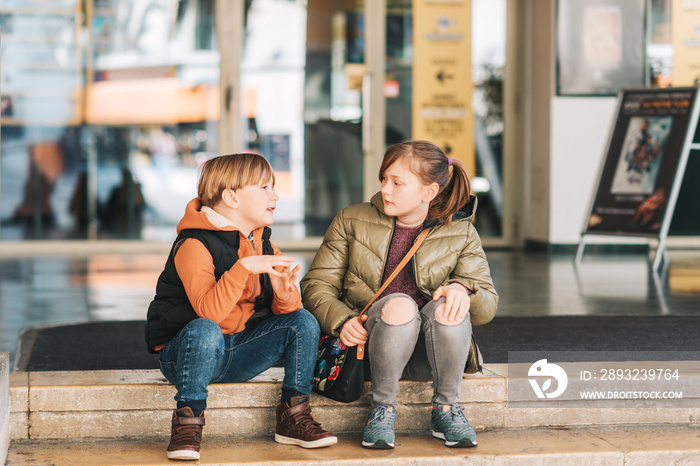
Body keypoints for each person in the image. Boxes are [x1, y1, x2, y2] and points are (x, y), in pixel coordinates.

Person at [301, 140, 498, 449]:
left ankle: (446, 410)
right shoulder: (351, 219)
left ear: (428, 192)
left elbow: (487, 306)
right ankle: (382, 409)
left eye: (397, 183)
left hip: (432, 356)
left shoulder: (461, 231)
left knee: (450, 305)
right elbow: (316, 285)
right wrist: (343, 320)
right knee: (400, 306)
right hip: (369, 350)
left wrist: (465, 290)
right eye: (384, 179)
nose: (385, 190)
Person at [145, 153, 337, 461]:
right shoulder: (194, 244)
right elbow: (209, 313)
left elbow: (289, 316)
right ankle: (187, 421)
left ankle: (293, 415)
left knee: (303, 321)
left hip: (235, 351)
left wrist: (284, 294)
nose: (274, 195)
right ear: (231, 197)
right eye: (264, 187)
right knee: (206, 329)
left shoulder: (261, 243)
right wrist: (243, 267)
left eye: (272, 187)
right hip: (186, 357)